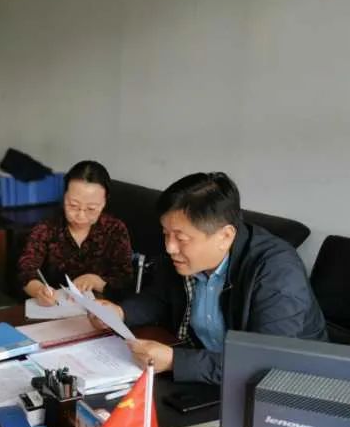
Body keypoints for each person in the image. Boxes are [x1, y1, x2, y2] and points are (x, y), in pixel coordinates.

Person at [93, 172, 327, 385]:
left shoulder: (277, 271)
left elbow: (266, 363)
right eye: (166, 234)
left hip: (284, 388)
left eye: (181, 238)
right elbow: (159, 298)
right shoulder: (185, 259)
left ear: (225, 236)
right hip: (207, 374)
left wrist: (176, 361)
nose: (170, 247)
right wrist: (120, 313)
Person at [17, 160, 133, 305]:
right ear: (64, 196)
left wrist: (96, 281)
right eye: (73, 205)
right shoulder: (46, 228)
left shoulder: (115, 230)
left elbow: (125, 280)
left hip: (101, 310)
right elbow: (25, 271)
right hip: (55, 308)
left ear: (104, 202)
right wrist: (39, 290)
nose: (81, 216)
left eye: (91, 208)